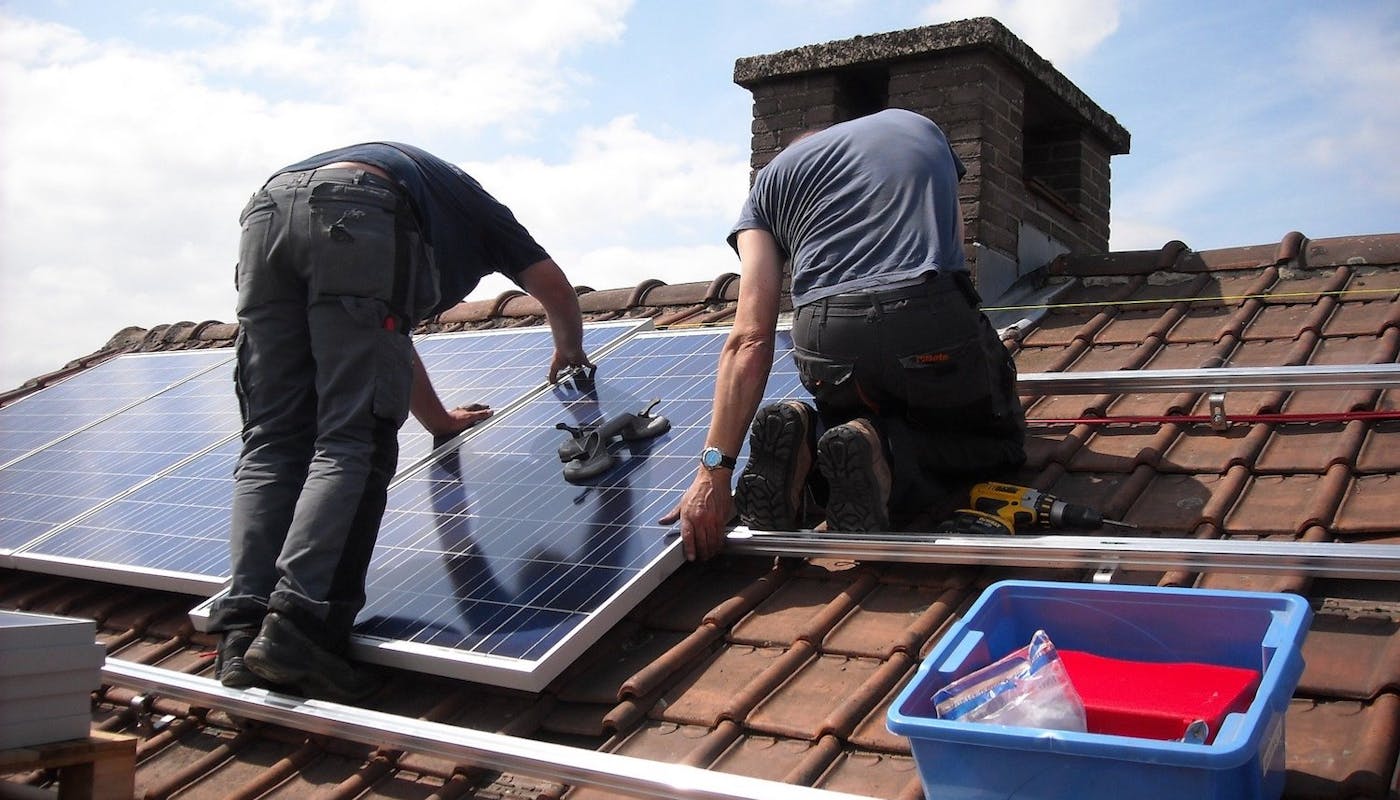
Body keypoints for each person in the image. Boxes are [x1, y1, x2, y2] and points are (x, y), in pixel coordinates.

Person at [208, 142, 593, 700]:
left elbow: (384, 341)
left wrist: (437, 418)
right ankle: (300, 630)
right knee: (352, 442)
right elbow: (555, 290)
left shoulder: (433, 198)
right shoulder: (484, 215)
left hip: (267, 212)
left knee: (272, 441)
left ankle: (242, 636)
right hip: (356, 207)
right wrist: (569, 349)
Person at [662, 109, 1025, 561]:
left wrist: (713, 470)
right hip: (925, 311)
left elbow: (750, 336)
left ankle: (810, 437)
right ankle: (886, 455)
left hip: (826, 337)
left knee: (856, 406)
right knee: (1000, 442)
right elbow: (955, 254)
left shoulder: (766, 186)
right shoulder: (917, 125)